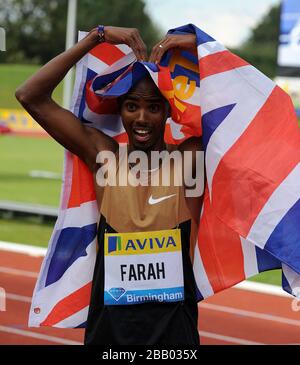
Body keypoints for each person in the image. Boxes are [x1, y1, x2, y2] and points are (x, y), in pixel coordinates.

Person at [15, 26, 203, 345]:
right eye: (132, 106)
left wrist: (199, 46)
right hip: (110, 332)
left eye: (154, 107)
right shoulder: (104, 156)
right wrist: (95, 38)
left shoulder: (192, 158)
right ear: (120, 111)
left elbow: (245, 107)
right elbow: (29, 95)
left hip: (174, 333)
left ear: (168, 112)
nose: (142, 117)